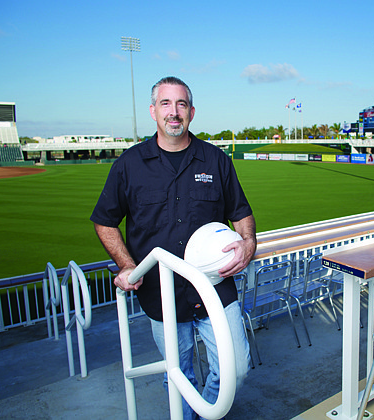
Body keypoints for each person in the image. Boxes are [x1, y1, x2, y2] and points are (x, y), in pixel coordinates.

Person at [90, 76, 254, 420]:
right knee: (179, 376)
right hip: (160, 293)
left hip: (215, 287)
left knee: (236, 371)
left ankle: (205, 413)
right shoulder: (129, 164)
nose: (174, 112)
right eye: (166, 103)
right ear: (153, 111)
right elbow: (105, 221)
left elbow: (241, 214)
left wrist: (248, 243)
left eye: (181, 104)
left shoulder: (215, 160)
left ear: (192, 112)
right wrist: (126, 264)